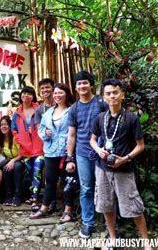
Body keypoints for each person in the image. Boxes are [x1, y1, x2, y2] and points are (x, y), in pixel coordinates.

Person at [90, 79, 151, 250]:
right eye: (108, 93)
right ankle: (112, 239)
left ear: (122, 95)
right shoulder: (100, 118)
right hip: (102, 169)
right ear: (103, 96)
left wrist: (125, 159)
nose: (112, 96)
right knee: (106, 205)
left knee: (134, 206)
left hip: (124, 170)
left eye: (115, 92)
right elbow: (92, 140)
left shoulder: (132, 119)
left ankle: (146, 243)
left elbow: (141, 145)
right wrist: (99, 150)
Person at [66, 70, 108, 239]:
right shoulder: (74, 109)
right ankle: (88, 222)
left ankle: (108, 223)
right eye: (79, 83)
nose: (82, 86)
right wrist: (70, 158)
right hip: (82, 153)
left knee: (105, 188)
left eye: (85, 82)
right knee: (86, 188)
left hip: (103, 152)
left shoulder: (101, 102)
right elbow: (71, 135)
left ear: (91, 84)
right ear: (75, 88)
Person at [32, 83, 76, 222]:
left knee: (67, 181)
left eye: (60, 93)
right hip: (50, 151)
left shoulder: (72, 111)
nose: (57, 95)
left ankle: (68, 210)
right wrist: (45, 133)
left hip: (65, 151)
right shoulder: (48, 112)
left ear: (66, 94)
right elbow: (40, 130)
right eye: (56, 93)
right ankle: (44, 207)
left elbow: (74, 132)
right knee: (49, 181)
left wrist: (70, 154)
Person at [10, 86, 44, 209]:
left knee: (37, 171)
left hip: (39, 147)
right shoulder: (17, 113)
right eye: (24, 93)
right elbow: (13, 129)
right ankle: (32, 195)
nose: (26, 95)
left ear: (33, 96)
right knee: (30, 173)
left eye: (29, 93)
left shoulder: (39, 109)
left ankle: (35, 199)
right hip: (25, 149)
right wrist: (20, 140)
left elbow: (45, 124)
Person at [0, 115, 24, 207]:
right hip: (9, 161)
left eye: (6, 124)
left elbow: (22, 153)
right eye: (1, 125)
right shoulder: (1, 139)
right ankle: (8, 195)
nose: (3, 127)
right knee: (5, 168)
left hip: (21, 160)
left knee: (17, 166)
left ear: (10, 125)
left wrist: (13, 161)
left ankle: (17, 195)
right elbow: (0, 152)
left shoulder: (15, 137)